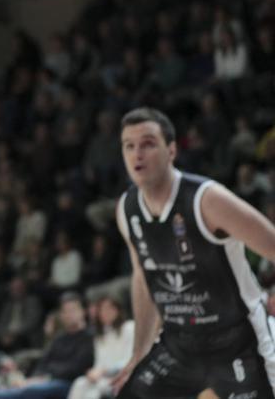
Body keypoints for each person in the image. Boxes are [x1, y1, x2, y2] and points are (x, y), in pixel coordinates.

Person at [113, 107, 275, 398]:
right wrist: (140, 351)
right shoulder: (127, 209)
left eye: (148, 143)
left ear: (171, 150)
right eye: (129, 146)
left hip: (238, 342)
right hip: (180, 345)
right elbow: (143, 276)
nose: (137, 153)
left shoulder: (208, 200)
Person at [0, 292, 94, 399]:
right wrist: (35, 378)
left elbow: (77, 367)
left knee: (22, 392)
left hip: (69, 383)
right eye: (65, 311)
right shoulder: (59, 339)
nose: (69, 314)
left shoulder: (89, 337)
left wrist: (47, 376)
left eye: (73, 310)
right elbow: (43, 363)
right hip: (46, 381)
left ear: (83, 311)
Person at [67, 295, 133, 399]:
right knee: (79, 383)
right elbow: (99, 362)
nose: (105, 313)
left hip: (121, 375)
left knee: (94, 393)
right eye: (102, 310)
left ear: (118, 310)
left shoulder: (129, 327)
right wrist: (93, 372)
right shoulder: (100, 336)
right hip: (102, 376)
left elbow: (130, 359)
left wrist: (105, 371)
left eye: (109, 308)